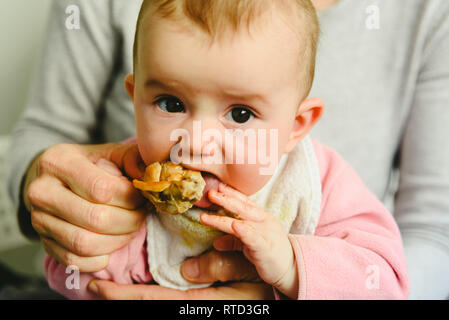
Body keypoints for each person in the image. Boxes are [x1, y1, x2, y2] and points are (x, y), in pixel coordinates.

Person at [6, 0, 449, 299]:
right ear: (134, 94)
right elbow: (64, 269)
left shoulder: (318, 183)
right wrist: (90, 253)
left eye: (239, 116)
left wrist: (292, 269)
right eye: (171, 104)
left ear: (296, 126)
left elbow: (387, 281)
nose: (196, 143)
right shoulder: (124, 177)